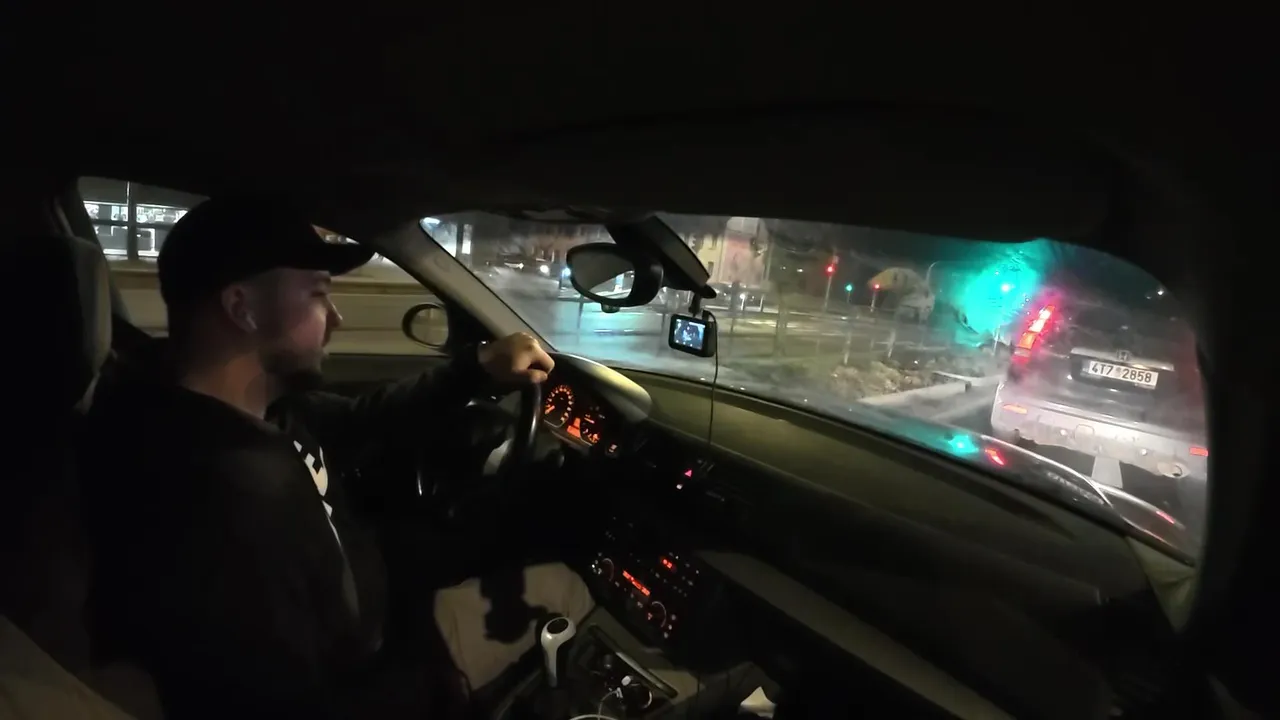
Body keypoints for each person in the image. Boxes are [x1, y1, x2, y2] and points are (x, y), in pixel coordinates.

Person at [84, 197, 593, 719]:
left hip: (377, 608)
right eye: (317, 294)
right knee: (566, 590)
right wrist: (434, 679)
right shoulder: (221, 500)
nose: (336, 318)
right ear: (243, 308)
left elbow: (361, 419)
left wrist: (476, 368)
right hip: (379, 664)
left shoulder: (255, 408)